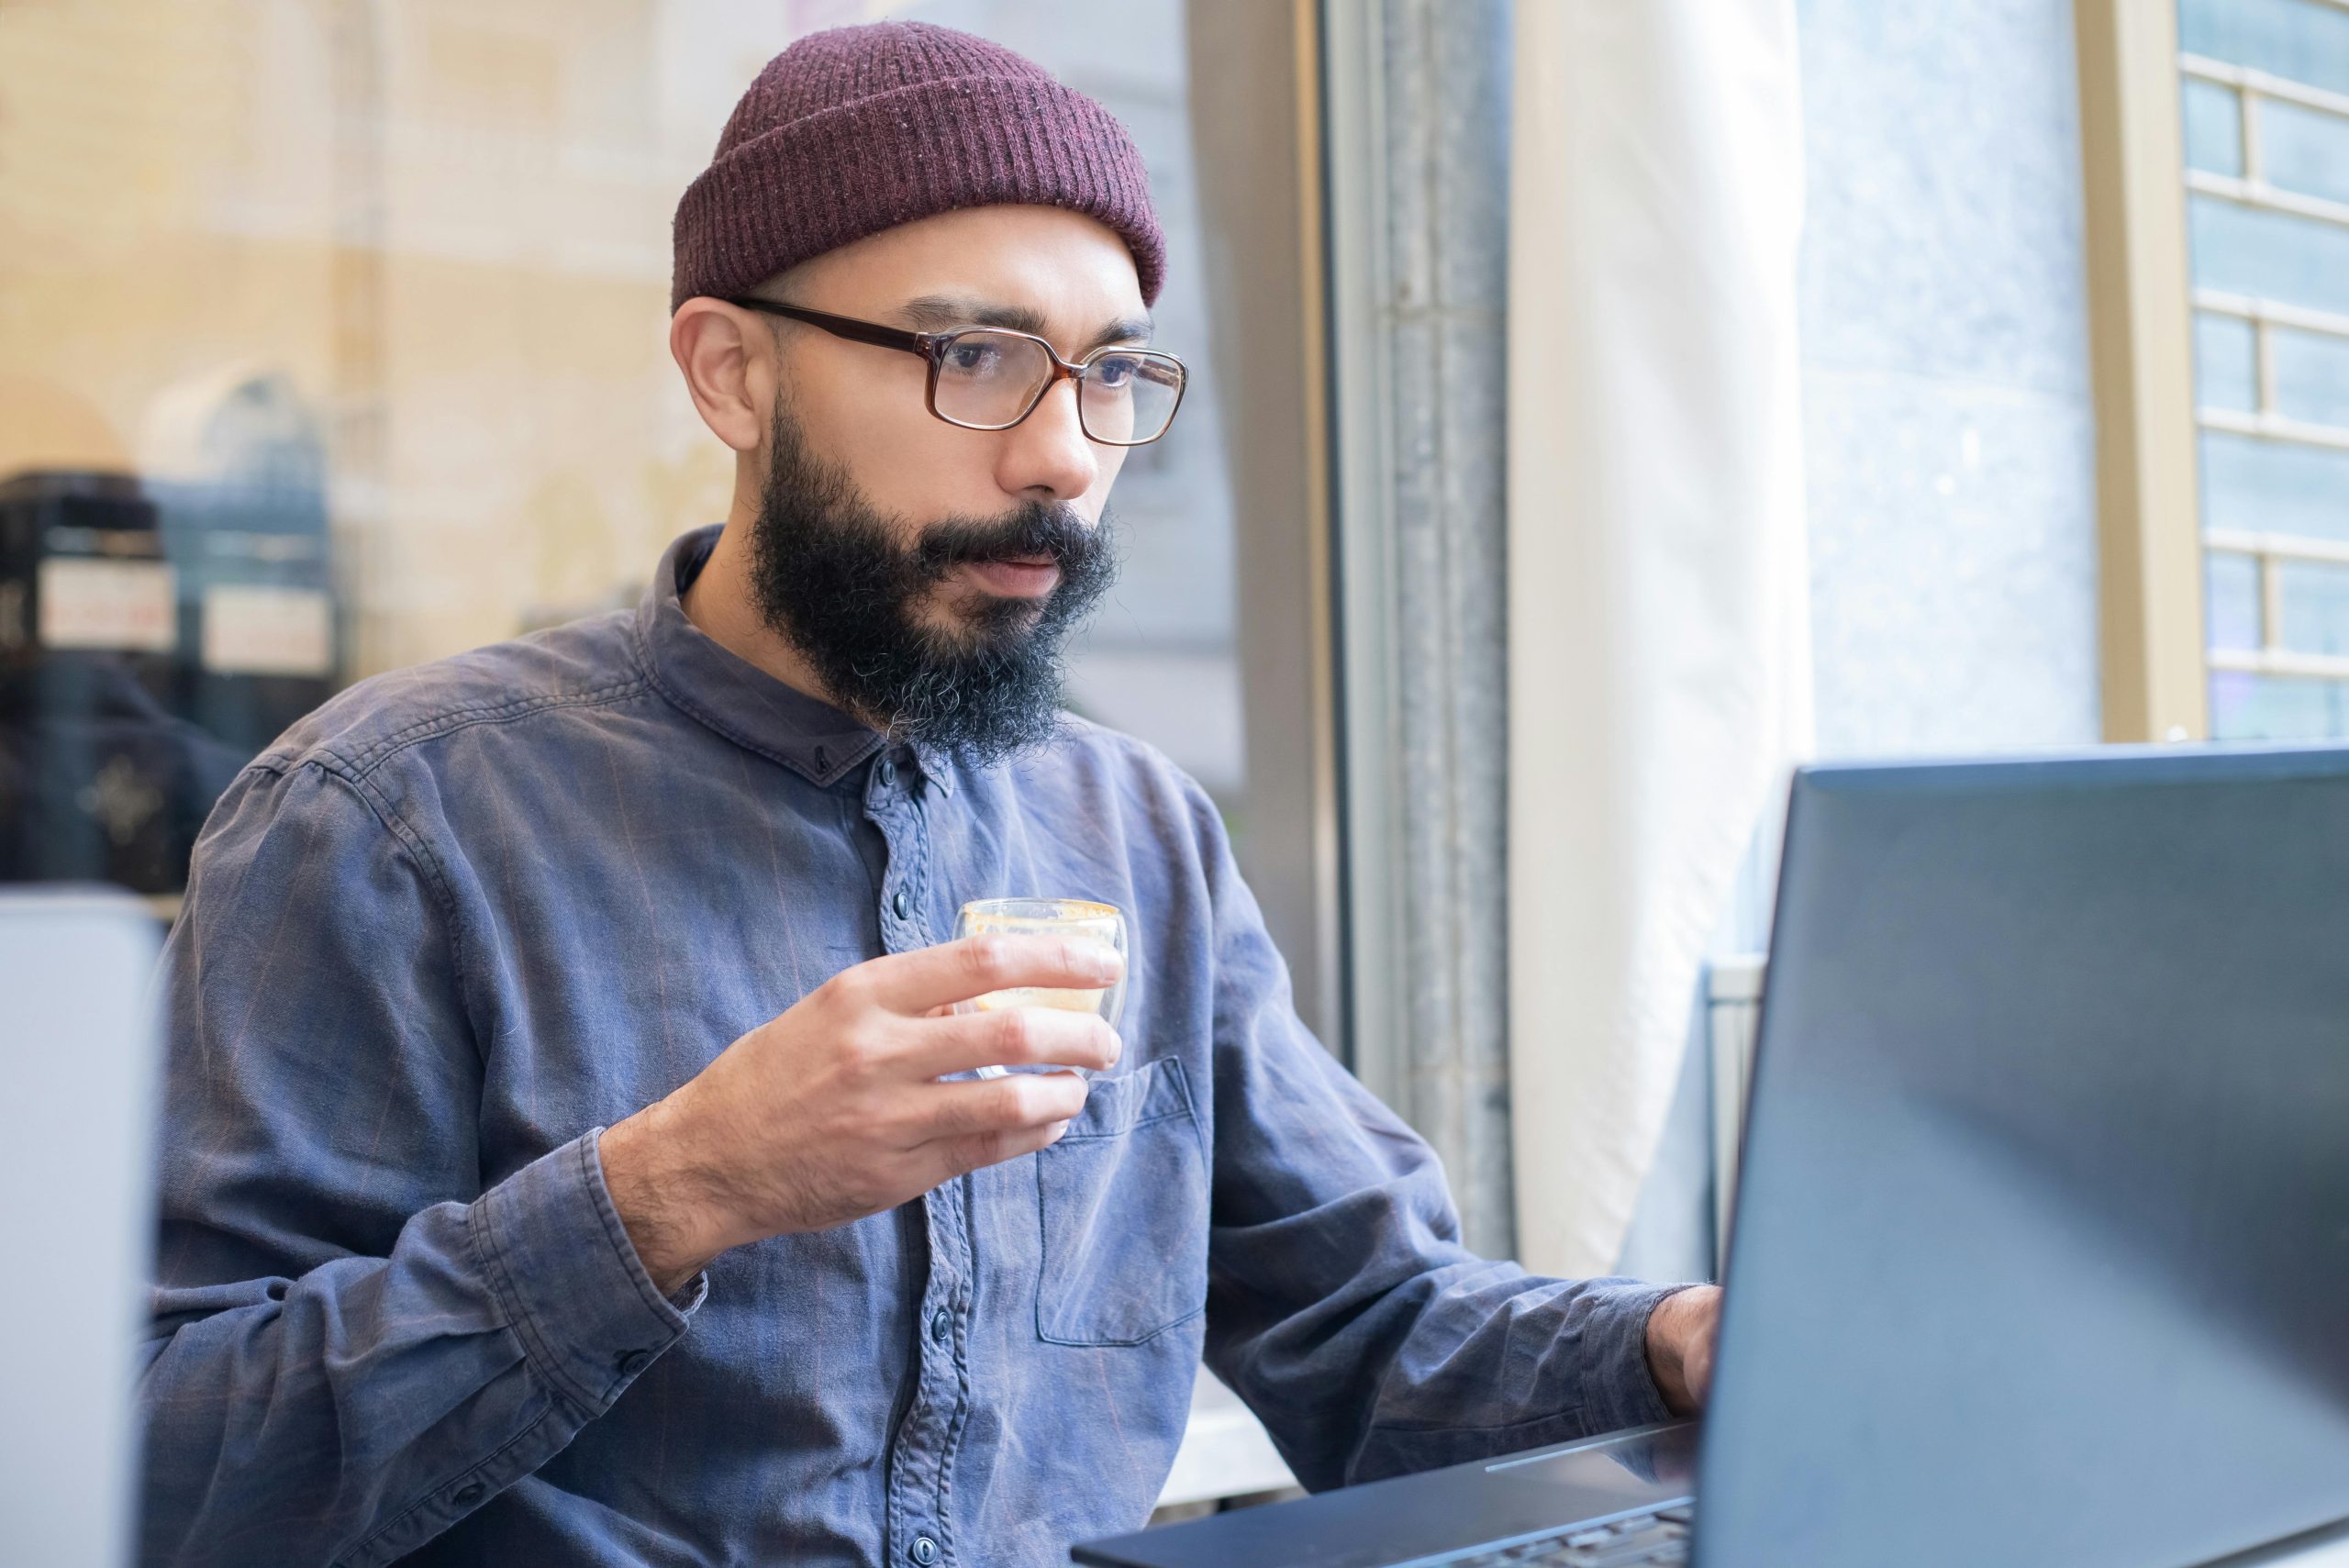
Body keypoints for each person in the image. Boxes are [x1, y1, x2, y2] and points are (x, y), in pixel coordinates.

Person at [139, 23, 1720, 1568]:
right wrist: (677, 1185)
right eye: (976, 357)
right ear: (732, 372)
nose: (1062, 455)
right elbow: (152, 1470)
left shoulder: (1138, 837)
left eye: (1108, 374)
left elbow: (1372, 1329)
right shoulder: (389, 817)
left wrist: (1678, 1346)